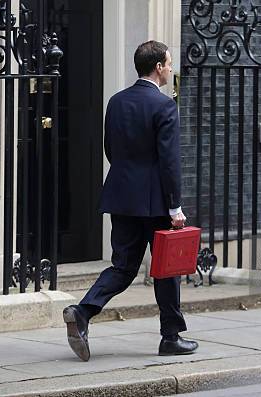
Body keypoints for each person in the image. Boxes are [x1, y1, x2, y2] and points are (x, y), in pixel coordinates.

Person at [62, 40, 199, 361]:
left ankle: (82, 311)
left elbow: (111, 149)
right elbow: (169, 161)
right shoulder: (164, 106)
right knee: (166, 270)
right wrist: (175, 207)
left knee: (123, 266)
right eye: (169, 63)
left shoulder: (117, 101)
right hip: (154, 201)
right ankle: (170, 337)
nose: (171, 68)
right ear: (159, 67)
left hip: (122, 194)